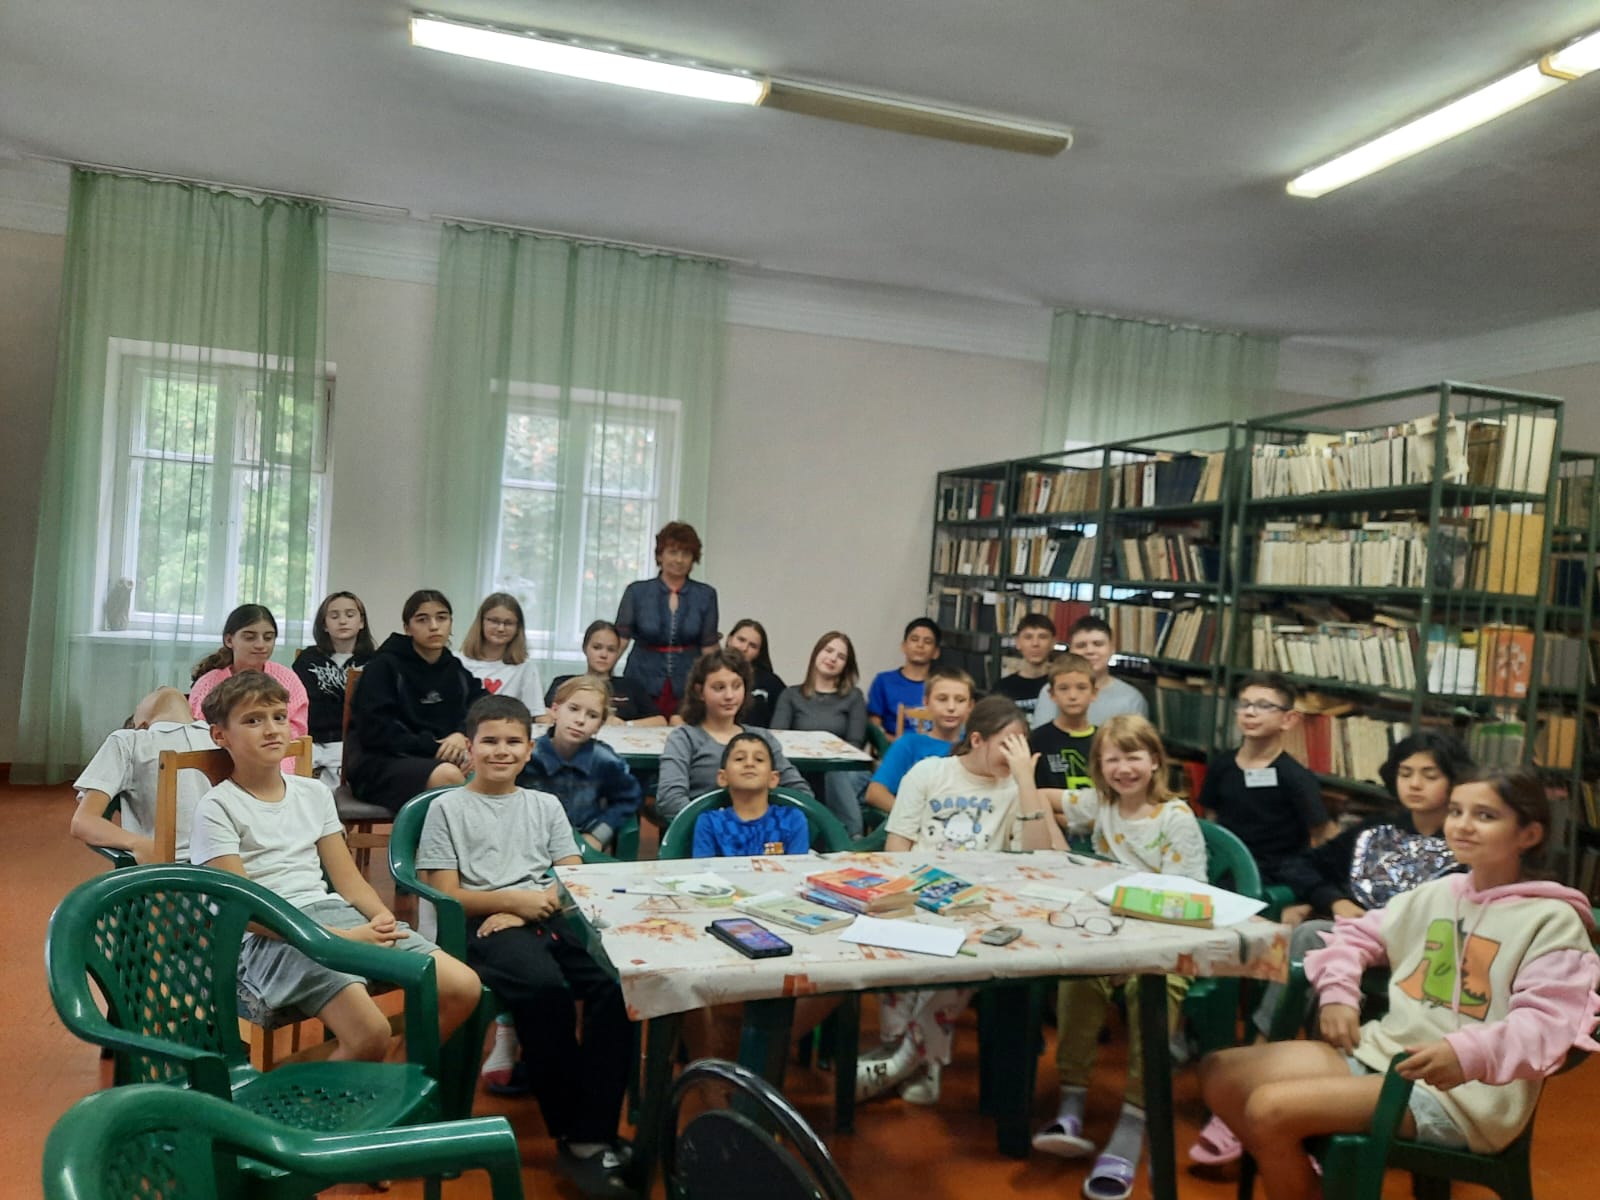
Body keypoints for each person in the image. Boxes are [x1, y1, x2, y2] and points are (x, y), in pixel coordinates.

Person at [1198, 766, 1600, 1200]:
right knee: (1219, 1073)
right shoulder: (1436, 893)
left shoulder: (1551, 919)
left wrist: (1465, 1052)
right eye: (1456, 811)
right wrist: (1339, 995)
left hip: (1465, 1096)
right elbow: (1352, 935)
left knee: (1268, 1109)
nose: (1463, 825)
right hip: (1388, 1054)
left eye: (1485, 816)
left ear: (1529, 834)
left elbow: (1548, 1026)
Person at [1190, 730, 1472, 1167]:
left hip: (1417, 959)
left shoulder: (1466, 844)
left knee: (1308, 938)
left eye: (1429, 775)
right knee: (1314, 939)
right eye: (1405, 773)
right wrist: (1334, 900)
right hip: (1351, 945)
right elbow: (1300, 865)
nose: (1415, 784)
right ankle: (1294, 1095)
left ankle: (1268, 1060)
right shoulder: (1375, 831)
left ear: (1453, 781)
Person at [189, 672, 481, 1063]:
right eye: (253, 720)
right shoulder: (217, 806)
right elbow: (244, 912)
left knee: (463, 987)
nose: (272, 729)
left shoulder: (313, 793)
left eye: (279, 717)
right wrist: (338, 937)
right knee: (370, 1033)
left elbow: (349, 882)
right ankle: (290, 1093)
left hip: (334, 916)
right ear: (220, 735)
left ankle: (389, 1083)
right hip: (273, 936)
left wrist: (379, 918)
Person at [416, 695, 633, 1193]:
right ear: (470, 749)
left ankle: (592, 1128)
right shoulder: (447, 807)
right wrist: (510, 902)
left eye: (513, 741)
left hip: (544, 915)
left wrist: (524, 906)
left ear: (529, 749)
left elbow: (571, 876)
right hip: (479, 927)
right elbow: (448, 893)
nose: (501, 751)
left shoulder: (544, 805)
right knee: (544, 988)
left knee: (617, 986)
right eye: (489, 741)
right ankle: (578, 1135)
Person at [1033, 715, 1207, 1200]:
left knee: (1153, 991)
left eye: (1134, 757)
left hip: (1163, 942)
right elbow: (1045, 797)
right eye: (1112, 759)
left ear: (1155, 762)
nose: (1124, 769)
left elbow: (1189, 896)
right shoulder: (1101, 803)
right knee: (1076, 977)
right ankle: (1071, 1102)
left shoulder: (1175, 818)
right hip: (1108, 938)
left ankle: (1134, 1119)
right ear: (1099, 767)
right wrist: (1031, 792)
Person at [860, 695, 1065, 1106]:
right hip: (919, 891)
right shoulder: (930, 772)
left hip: (979, 904)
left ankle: (901, 1061)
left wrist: (1026, 782)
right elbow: (897, 846)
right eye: (1007, 745)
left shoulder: (1016, 789)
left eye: (1021, 746)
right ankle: (916, 1058)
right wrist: (905, 897)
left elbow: (1039, 859)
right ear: (976, 740)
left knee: (966, 957)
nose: (1014, 755)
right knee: (895, 942)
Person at [1196, 672, 1335, 914]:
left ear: (1288, 719)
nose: (1250, 712)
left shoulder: (1295, 776)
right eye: (1244, 704)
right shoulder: (1222, 765)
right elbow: (1211, 817)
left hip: (1276, 870)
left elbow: (1320, 833)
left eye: (1264, 706)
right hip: (1227, 863)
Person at [344, 589, 487, 814]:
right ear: (407, 627)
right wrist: (438, 749)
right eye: (422, 619)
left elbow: (483, 706)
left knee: (497, 768)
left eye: (442, 618)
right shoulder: (383, 667)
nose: (434, 626)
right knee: (448, 776)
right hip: (380, 763)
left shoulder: (454, 668)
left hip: (441, 760)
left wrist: (462, 735)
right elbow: (377, 732)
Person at [655, 649, 811, 822]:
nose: (729, 696)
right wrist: (716, 827)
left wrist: (773, 824)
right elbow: (669, 800)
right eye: (719, 688)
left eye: (737, 686)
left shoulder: (763, 738)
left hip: (762, 832)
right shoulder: (684, 738)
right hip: (704, 833)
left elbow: (800, 792)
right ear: (700, 692)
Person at [69, 686, 216, 862]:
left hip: (227, 863)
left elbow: (82, 821)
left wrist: (137, 844)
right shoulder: (130, 740)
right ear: (141, 725)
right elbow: (82, 822)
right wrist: (139, 844)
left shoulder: (221, 734)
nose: (162, 688)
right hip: (183, 868)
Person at [521, 675, 643, 855]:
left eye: (592, 715)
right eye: (573, 709)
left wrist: (598, 835)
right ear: (555, 710)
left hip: (580, 845)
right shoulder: (528, 756)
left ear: (599, 726)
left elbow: (628, 799)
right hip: (529, 845)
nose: (580, 720)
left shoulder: (605, 761)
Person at [615, 521, 720, 720]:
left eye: (686, 554)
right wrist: (600, 677)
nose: (679, 560)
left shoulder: (706, 595)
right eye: (673, 552)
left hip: (688, 681)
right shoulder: (637, 592)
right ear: (660, 555)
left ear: (694, 559)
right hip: (641, 677)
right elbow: (620, 640)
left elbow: (709, 646)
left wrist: (719, 682)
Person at [771, 630, 870, 836]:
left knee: (834, 769)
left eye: (841, 656)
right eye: (828, 650)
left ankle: (850, 835)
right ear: (816, 653)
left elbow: (855, 743)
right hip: (801, 767)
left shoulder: (854, 696)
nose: (832, 658)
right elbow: (777, 737)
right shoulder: (790, 695)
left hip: (842, 769)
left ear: (846, 665)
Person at [862, 665, 974, 818]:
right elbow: (875, 793)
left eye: (960, 700)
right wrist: (915, 816)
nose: (951, 707)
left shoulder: (977, 746)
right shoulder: (909, 744)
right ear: (926, 702)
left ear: (970, 706)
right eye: (942, 699)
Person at [292, 590, 377, 790]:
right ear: (324, 625)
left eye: (350, 615)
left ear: (361, 622)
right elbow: (299, 703)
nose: (342, 621)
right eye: (334, 616)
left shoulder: (374, 662)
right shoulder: (307, 659)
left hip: (348, 743)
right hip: (311, 740)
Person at [188, 604, 309, 741]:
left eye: (268, 638)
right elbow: (200, 733)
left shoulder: (288, 679)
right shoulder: (208, 683)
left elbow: (298, 732)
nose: (260, 645)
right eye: (250, 638)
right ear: (229, 640)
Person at [691, 732, 810, 857]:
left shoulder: (792, 819)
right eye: (739, 759)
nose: (749, 764)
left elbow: (797, 867)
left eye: (759, 759)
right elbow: (703, 868)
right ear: (722, 777)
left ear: (773, 778)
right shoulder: (710, 822)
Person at [1031, 615, 1149, 729]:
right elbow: (1041, 737)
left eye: (1098, 644)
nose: (1090, 651)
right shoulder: (1052, 690)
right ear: (1070, 651)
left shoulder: (1131, 699)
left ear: (1112, 649)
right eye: (1081, 645)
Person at [1029, 653, 1099, 836]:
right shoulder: (1037, 740)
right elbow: (1030, 792)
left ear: (1094, 693)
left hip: (1100, 831)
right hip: (1049, 831)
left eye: (1081, 688)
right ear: (1052, 695)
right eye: (1063, 688)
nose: (1073, 696)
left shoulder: (1105, 740)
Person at [544, 619, 664, 725]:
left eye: (611, 650)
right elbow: (542, 713)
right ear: (585, 648)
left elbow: (660, 720)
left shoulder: (632, 687)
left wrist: (625, 724)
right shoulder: (563, 683)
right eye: (597, 647)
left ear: (617, 653)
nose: (603, 655)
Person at [458, 593, 548, 718]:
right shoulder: (457, 662)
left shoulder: (526, 667)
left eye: (508, 623)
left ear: (518, 627)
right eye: (494, 621)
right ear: (481, 622)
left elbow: (534, 714)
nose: (501, 628)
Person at [866, 618, 942, 740]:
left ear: (936, 652)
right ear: (903, 646)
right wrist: (900, 746)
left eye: (927, 642)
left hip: (932, 749)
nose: (920, 645)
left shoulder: (942, 686)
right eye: (914, 639)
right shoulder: (883, 681)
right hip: (892, 747)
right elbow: (875, 728)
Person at [992, 611, 1056, 720]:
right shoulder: (1001, 688)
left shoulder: (1061, 684)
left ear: (1053, 642)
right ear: (1018, 643)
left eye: (1042, 637)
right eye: (1028, 637)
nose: (1035, 643)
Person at [726, 618, 785, 728]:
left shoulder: (771, 682)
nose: (744, 648)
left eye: (753, 646)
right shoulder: (708, 672)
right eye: (741, 640)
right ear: (729, 639)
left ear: (758, 653)